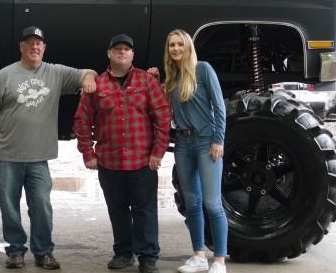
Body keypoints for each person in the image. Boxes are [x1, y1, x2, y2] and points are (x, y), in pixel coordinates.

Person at [0, 26, 97, 270]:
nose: (34, 47)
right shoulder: (5, 75)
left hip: (38, 158)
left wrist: (88, 79)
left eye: (39, 43)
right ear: (21, 47)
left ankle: (43, 252)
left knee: (42, 206)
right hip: (7, 155)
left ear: (44, 48)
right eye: (29, 43)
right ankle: (15, 251)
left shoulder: (55, 73)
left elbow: (88, 72)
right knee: (9, 207)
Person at [73, 34, 172, 273]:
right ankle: (123, 253)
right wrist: (88, 153)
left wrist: (158, 152)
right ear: (109, 53)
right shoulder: (97, 84)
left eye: (126, 49)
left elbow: (163, 116)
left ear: (132, 55)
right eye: (117, 49)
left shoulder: (147, 81)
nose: (122, 52)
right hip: (109, 162)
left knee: (145, 210)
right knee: (117, 211)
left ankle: (148, 257)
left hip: (142, 161)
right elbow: (82, 121)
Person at [148, 29, 227, 273]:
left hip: (206, 142)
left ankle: (220, 261)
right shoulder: (172, 78)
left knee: (212, 203)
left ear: (188, 46)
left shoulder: (203, 69)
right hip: (183, 143)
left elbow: (219, 106)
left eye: (180, 44)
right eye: (172, 45)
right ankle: (199, 256)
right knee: (192, 203)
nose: (176, 49)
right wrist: (154, 79)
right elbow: (161, 105)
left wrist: (218, 140)